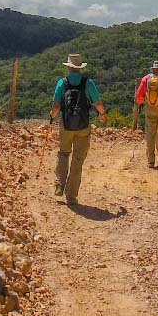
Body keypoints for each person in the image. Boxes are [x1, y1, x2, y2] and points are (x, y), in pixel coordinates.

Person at [49, 53, 107, 205]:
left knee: (63, 154)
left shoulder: (62, 83)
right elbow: (98, 103)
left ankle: (59, 184)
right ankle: (71, 195)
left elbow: (56, 106)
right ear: (80, 68)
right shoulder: (88, 83)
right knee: (78, 160)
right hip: (83, 126)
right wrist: (102, 114)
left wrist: (52, 116)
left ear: (68, 67)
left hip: (66, 125)